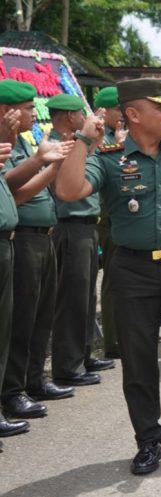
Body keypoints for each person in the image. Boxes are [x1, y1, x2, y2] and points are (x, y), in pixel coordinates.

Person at [55, 78, 161, 475]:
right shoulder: (109, 158)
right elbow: (69, 189)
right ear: (133, 114)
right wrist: (83, 139)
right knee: (139, 358)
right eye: (160, 107)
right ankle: (148, 439)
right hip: (132, 269)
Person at [1, 81, 77, 420]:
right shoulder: (12, 147)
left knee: (38, 315)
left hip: (36, 237)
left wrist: (52, 163)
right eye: (30, 108)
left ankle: (31, 380)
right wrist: (42, 161)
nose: (35, 113)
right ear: (8, 111)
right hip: (23, 238)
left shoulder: (19, 143)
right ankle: (13, 390)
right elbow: (18, 191)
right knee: (18, 321)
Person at [48, 94, 115, 388]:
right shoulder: (59, 145)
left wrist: (91, 142)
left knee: (86, 297)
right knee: (71, 299)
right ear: (67, 117)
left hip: (86, 227)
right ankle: (68, 366)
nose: (85, 117)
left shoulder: (78, 144)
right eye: (80, 113)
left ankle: (84, 355)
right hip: (71, 226)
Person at [93, 86, 124, 359]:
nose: (123, 114)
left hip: (120, 216)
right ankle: (114, 343)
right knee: (114, 280)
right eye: (118, 110)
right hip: (108, 218)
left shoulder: (116, 136)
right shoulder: (101, 139)